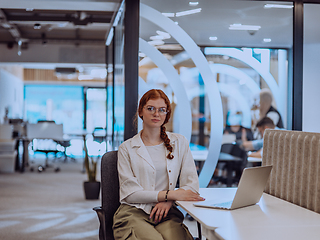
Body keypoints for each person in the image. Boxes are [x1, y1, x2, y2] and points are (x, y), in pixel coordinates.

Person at [113, 89, 205, 240]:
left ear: (167, 114)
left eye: (162, 110)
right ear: (140, 112)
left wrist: (168, 201)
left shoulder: (179, 142)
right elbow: (130, 194)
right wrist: (168, 195)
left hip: (167, 213)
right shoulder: (127, 148)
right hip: (134, 212)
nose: (156, 114)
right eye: (150, 108)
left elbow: (191, 184)